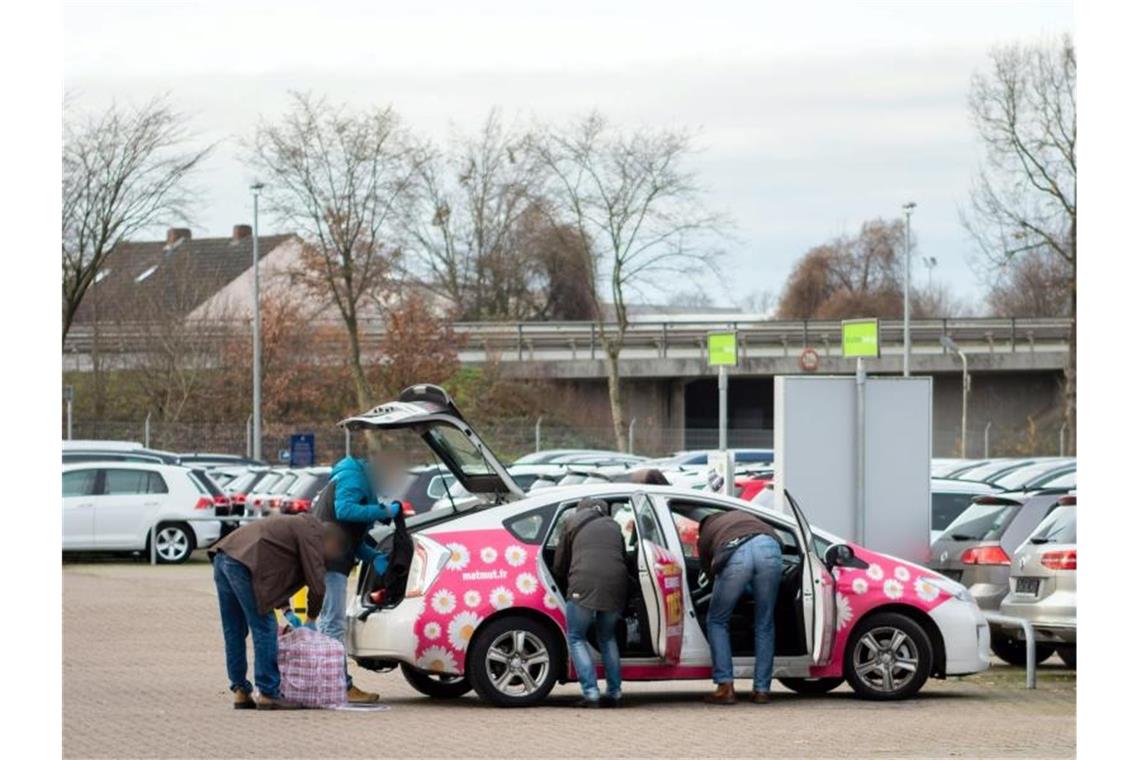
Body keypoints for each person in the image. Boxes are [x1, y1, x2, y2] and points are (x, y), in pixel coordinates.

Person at [209, 513, 339, 710]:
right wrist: (311, 617)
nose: (330, 558)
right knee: (265, 627)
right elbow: (317, 582)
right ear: (331, 541)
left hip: (225, 555)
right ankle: (268, 692)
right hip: (244, 563)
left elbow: (276, 571)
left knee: (234, 629)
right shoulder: (313, 536)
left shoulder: (296, 528)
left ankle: (241, 691)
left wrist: (286, 608)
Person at [312, 454, 402, 704]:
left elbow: (352, 538)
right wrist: (382, 510)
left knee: (328, 622)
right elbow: (345, 510)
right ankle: (339, 685)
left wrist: (373, 556)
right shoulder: (354, 477)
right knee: (332, 623)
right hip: (330, 560)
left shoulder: (353, 478)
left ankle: (326, 681)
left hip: (329, 555)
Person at [697, 509, 783, 705]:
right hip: (770, 546)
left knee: (717, 620)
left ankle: (725, 686)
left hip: (735, 552)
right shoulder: (740, 515)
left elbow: (709, 574)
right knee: (765, 623)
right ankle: (762, 689)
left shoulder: (707, 533)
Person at [552, 497, 628, 708]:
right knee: (607, 636)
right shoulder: (614, 526)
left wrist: (564, 580)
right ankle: (614, 692)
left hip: (583, 582)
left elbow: (560, 563)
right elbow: (622, 555)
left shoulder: (571, 522)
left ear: (580, 509)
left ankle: (591, 693)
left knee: (576, 637)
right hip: (616, 584)